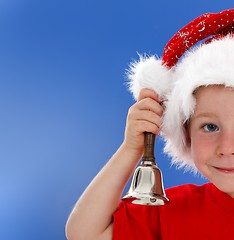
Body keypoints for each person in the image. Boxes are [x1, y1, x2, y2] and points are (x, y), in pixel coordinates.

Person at [66, 8, 234, 240]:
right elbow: (85, 233)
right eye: (210, 127)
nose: (226, 147)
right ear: (186, 131)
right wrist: (132, 147)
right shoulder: (172, 211)